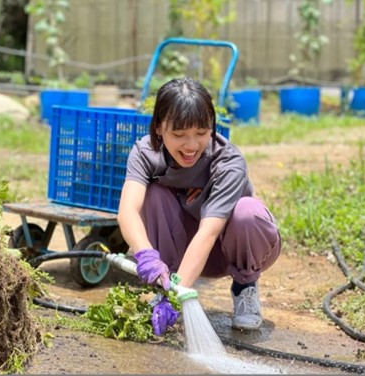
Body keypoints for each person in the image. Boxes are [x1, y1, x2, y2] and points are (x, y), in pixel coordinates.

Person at [117, 76, 281, 336]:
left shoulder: (227, 162)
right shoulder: (146, 153)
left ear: (212, 128)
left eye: (201, 133)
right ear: (159, 127)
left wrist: (177, 295)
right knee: (154, 193)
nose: (192, 145)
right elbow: (128, 209)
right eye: (179, 135)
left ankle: (245, 287)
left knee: (246, 212)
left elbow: (209, 233)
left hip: (231, 251)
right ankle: (166, 281)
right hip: (183, 252)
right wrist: (146, 255)